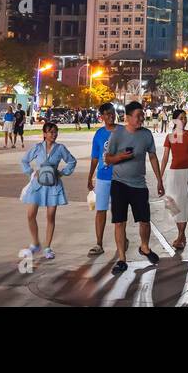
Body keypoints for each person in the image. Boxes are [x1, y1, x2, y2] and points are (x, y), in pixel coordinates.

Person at [103, 101, 164, 276]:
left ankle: (144, 247)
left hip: (139, 184)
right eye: (138, 116)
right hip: (119, 184)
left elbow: (152, 157)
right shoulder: (117, 134)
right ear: (128, 117)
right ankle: (121, 259)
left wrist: (160, 180)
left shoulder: (146, 135)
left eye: (142, 115)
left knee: (144, 220)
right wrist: (120, 157)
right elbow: (107, 159)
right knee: (119, 222)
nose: (141, 119)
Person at [19, 121, 77, 260]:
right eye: (51, 132)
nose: (54, 134)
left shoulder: (61, 148)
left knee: (50, 216)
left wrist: (62, 173)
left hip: (53, 186)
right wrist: (32, 173)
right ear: (44, 134)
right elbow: (24, 161)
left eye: (55, 132)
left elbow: (72, 161)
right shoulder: (38, 147)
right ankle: (35, 243)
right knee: (30, 215)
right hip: (37, 186)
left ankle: (47, 247)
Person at [158, 109, 188, 250]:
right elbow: (165, 158)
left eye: (185, 118)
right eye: (181, 118)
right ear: (174, 120)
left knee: (185, 204)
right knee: (173, 204)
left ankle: (180, 236)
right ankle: (181, 235)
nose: (184, 120)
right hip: (174, 173)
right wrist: (160, 177)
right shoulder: (170, 137)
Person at [86, 102, 117, 256]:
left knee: (119, 212)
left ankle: (122, 240)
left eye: (112, 112)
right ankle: (99, 243)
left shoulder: (123, 131)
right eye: (107, 114)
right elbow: (94, 158)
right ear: (102, 117)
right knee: (101, 210)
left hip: (120, 178)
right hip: (103, 177)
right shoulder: (99, 134)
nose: (111, 116)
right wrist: (90, 176)